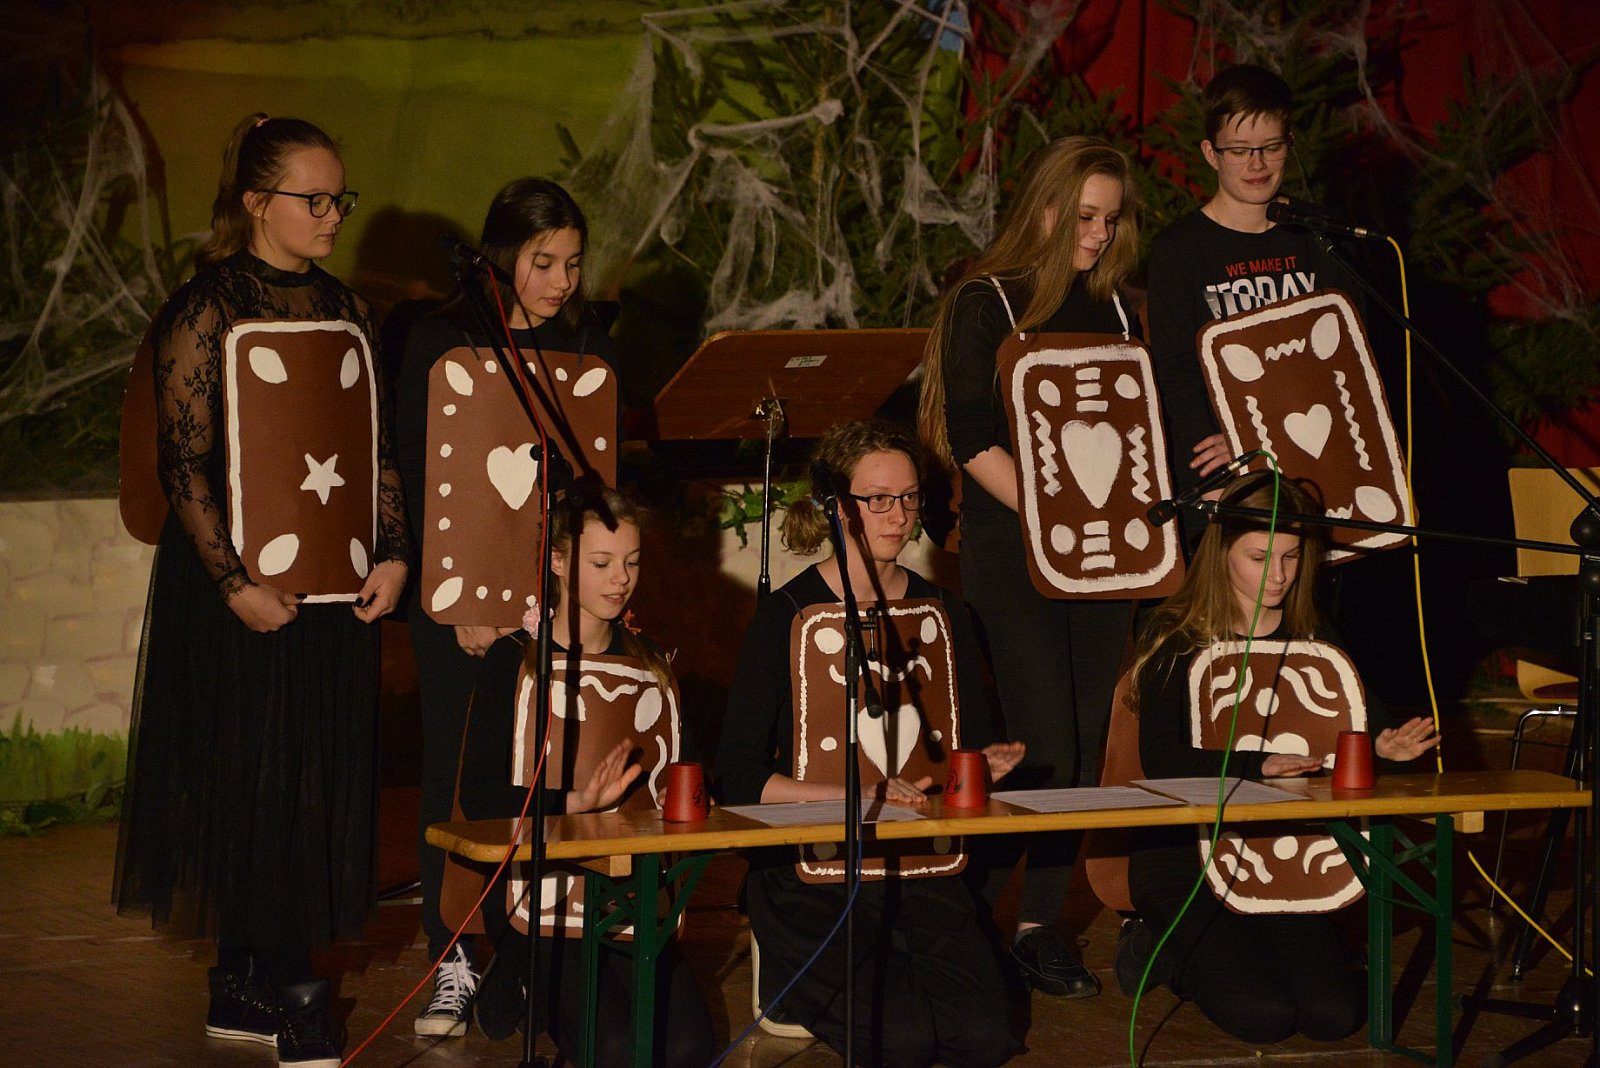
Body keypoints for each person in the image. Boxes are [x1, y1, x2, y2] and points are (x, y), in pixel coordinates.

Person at [113, 114, 409, 1068]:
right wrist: (236, 583)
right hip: (233, 593)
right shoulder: (207, 308)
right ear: (256, 202)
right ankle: (296, 993)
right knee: (255, 780)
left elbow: (376, 447)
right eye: (313, 199)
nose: (332, 215)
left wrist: (393, 553)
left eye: (339, 199)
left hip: (329, 591)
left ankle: (240, 982)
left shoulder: (349, 309)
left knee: (308, 776)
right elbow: (184, 462)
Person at [717, 419, 1024, 1067]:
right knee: (900, 1043)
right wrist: (854, 797)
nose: (899, 515)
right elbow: (738, 775)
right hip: (812, 871)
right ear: (836, 506)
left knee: (987, 1036)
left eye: (909, 497)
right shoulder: (787, 615)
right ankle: (793, 975)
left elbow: (968, 746)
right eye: (878, 499)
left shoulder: (945, 613)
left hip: (918, 865)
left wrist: (980, 767)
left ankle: (895, 974)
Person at [916, 135, 1142, 998]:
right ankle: (958, 910)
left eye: (1110, 220)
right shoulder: (986, 301)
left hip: (1106, 556)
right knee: (1044, 743)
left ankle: (1035, 927)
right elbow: (971, 436)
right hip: (1015, 551)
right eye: (1084, 216)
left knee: (1084, 745)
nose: (1097, 235)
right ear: (1043, 210)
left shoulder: (1122, 311)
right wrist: (1057, 518)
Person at [393, 177, 614, 1036]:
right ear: (499, 257)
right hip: (460, 605)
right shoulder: (441, 342)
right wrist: (457, 601)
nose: (561, 281)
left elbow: (595, 479)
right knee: (460, 777)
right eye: (542, 261)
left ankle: (532, 956)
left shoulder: (584, 350)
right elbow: (421, 477)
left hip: (553, 603)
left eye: (573, 263)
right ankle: (451, 954)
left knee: (551, 770)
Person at [1120, 471, 1439, 1043]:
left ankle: (1249, 948)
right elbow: (1162, 760)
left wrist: (1385, 748)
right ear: (1221, 552)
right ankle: (1155, 946)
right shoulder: (1178, 634)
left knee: (1331, 1016)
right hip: (1184, 854)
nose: (1279, 574)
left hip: (1278, 851)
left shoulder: (1313, 633)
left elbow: (1367, 728)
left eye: (1291, 556)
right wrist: (1256, 765)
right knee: (1262, 1014)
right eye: (1259, 557)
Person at [455, 488, 715, 1067]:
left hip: (629, 894)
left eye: (632, 562)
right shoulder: (514, 660)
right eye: (601, 563)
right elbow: (480, 797)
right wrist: (576, 800)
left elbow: (686, 775)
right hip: (540, 896)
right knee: (613, 1047)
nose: (621, 579)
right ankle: (518, 974)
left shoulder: (650, 663)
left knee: (689, 1047)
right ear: (558, 561)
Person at [1145, 64, 1365, 513]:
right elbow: (1175, 371)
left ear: (1289, 143)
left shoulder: (1319, 233)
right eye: (1240, 150)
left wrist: (1272, 432)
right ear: (1211, 153)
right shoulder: (1178, 249)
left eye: (1271, 147)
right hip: (1228, 470)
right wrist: (1232, 455)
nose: (1257, 164)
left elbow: (1348, 356)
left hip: (1319, 454)